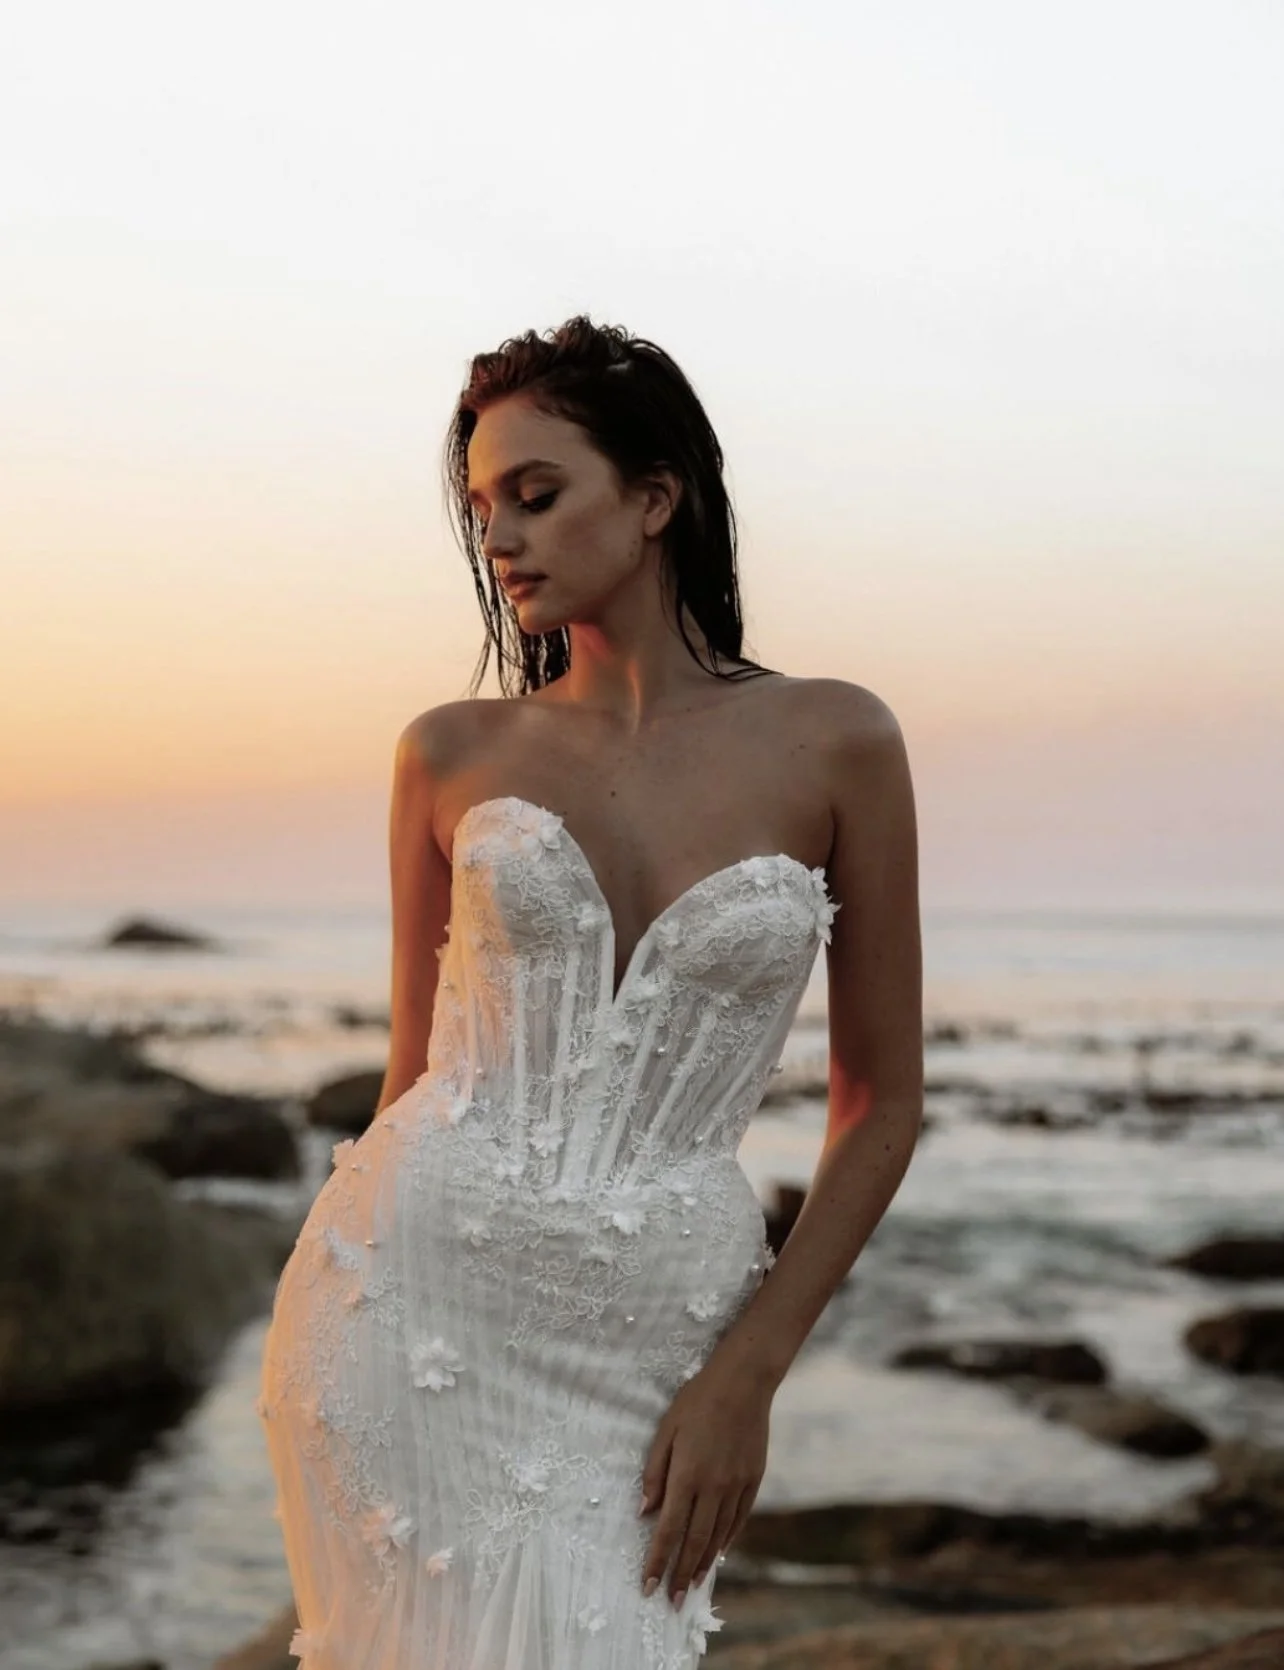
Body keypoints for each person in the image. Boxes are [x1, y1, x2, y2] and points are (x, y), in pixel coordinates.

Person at [258, 315, 924, 1668]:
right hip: (405, 1310)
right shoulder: (447, 750)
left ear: (657, 497)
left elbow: (883, 1102)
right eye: (482, 507)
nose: (498, 537)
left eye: (537, 494)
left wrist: (751, 1372)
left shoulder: (838, 738)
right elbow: (409, 1078)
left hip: (653, 1347)